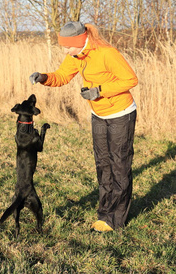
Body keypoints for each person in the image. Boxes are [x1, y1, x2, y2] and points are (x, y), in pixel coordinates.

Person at [29, 21, 138, 232]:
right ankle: (105, 214)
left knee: (119, 165)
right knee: (103, 164)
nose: (65, 50)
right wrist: (43, 77)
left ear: (80, 41)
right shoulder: (76, 56)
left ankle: (116, 219)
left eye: (68, 46)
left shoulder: (107, 53)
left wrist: (99, 90)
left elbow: (130, 79)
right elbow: (62, 76)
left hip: (121, 114)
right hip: (98, 115)